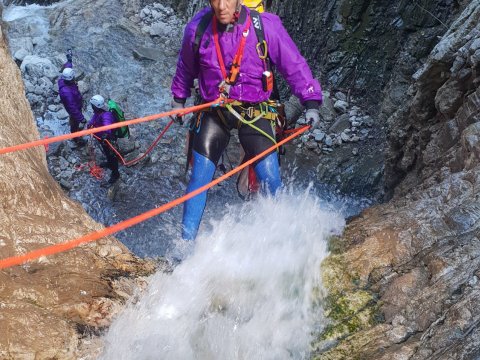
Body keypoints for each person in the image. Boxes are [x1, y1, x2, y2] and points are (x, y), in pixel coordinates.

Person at [171, 0, 322, 241]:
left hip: (256, 111)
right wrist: (178, 101)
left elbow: (292, 63)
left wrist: (310, 102)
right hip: (215, 111)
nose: (221, 6)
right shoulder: (197, 28)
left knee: (271, 179)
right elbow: (185, 67)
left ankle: (282, 241)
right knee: (199, 178)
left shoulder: (265, 26)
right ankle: (185, 246)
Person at [87, 95, 120, 186]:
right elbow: (95, 118)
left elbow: (107, 125)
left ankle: (115, 173)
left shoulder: (106, 114)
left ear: (95, 106)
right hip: (103, 139)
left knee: (112, 156)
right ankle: (109, 163)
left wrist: (106, 134)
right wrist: (90, 124)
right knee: (107, 153)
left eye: (92, 105)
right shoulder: (98, 111)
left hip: (108, 139)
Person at [58, 50, 86, 146]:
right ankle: (76, 138)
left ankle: (74, 126)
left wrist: (69, 60)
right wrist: (81, 118)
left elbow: (67, 68)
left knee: (74, 118)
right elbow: (72, 107)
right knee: (75, 122)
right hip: (74, 108)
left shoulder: (64, 80)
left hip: (75, 103)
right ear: (70, 79)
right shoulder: (67, 93)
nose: (74, 78)